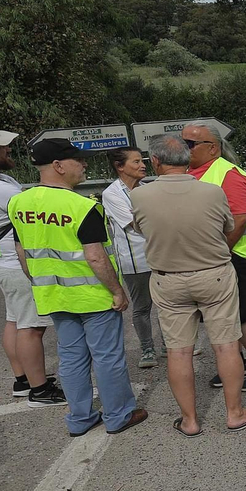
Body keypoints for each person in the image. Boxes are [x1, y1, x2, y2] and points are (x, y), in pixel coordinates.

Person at [130, 136, 246, 436]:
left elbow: (140, 229)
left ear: (155, 161)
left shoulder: (139, 196)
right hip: (213, 274)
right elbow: (228, 227)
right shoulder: (212, 192)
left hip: (168, 278)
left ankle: (190, 420)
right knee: (226, 345)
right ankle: (235, 413)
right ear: (186, 159)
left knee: (178, 352)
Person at [7, 139, 146, 436]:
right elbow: (95, 256)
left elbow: (21, 250)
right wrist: (117, 291)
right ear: (58, 166)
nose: (84, 165)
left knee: (70, 357)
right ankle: (119, 414)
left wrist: (37, 281)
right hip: (94, 297)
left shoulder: (19, 202)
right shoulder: (82, 206)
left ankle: (80, 418)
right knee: (107, 357)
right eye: (78, 161)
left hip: (53, 295)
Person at [186, 124, 246, 392]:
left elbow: (239, 220)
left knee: (240, 315)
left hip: (236, 255)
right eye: (183, 142)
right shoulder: (191, 173)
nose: (186, 148)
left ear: (213, 148)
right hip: (213, 257)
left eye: (191, 144)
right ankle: (236, 365)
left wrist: (219, 253)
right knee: (219, 316)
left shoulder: (227, 174)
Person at [0, 130, 61, 404]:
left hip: (4, 262)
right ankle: (39, 389)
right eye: (3, 147)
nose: (9, 149)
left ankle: (23, 379)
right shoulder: (3, 188)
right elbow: (32, 216)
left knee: (16, 320)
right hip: (18, 264)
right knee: (32, 327)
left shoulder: (3, 180)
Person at [101, 147, 158, 368]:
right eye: (136, 162)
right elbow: (135, 224)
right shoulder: (112, 194)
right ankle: (147, 348)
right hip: (134, 260)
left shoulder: (146, 189)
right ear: (120, 166)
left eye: (143, 161)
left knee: (166, 303)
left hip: (158, 255)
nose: (143, 165)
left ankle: (169, 345)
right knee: (142, 306)